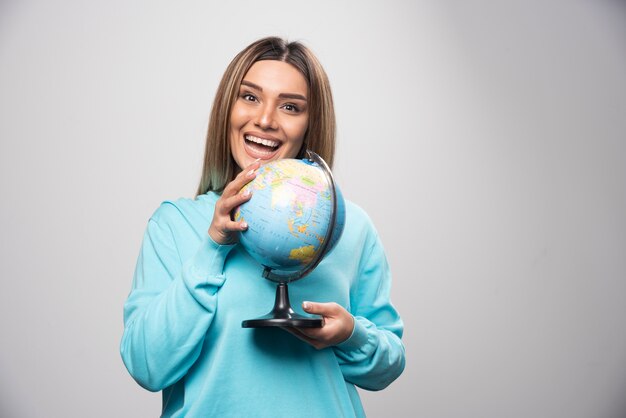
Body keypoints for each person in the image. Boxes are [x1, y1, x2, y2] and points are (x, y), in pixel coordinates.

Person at [120, 36, 405, 417]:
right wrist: (214, 246)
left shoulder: (349, 227)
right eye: (250, 97)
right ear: (227, 109)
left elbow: (388, 366)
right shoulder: (174, 223)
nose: (266, 120)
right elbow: (146, 365)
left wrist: (351, 334)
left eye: (290, 106)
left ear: (309, 124)